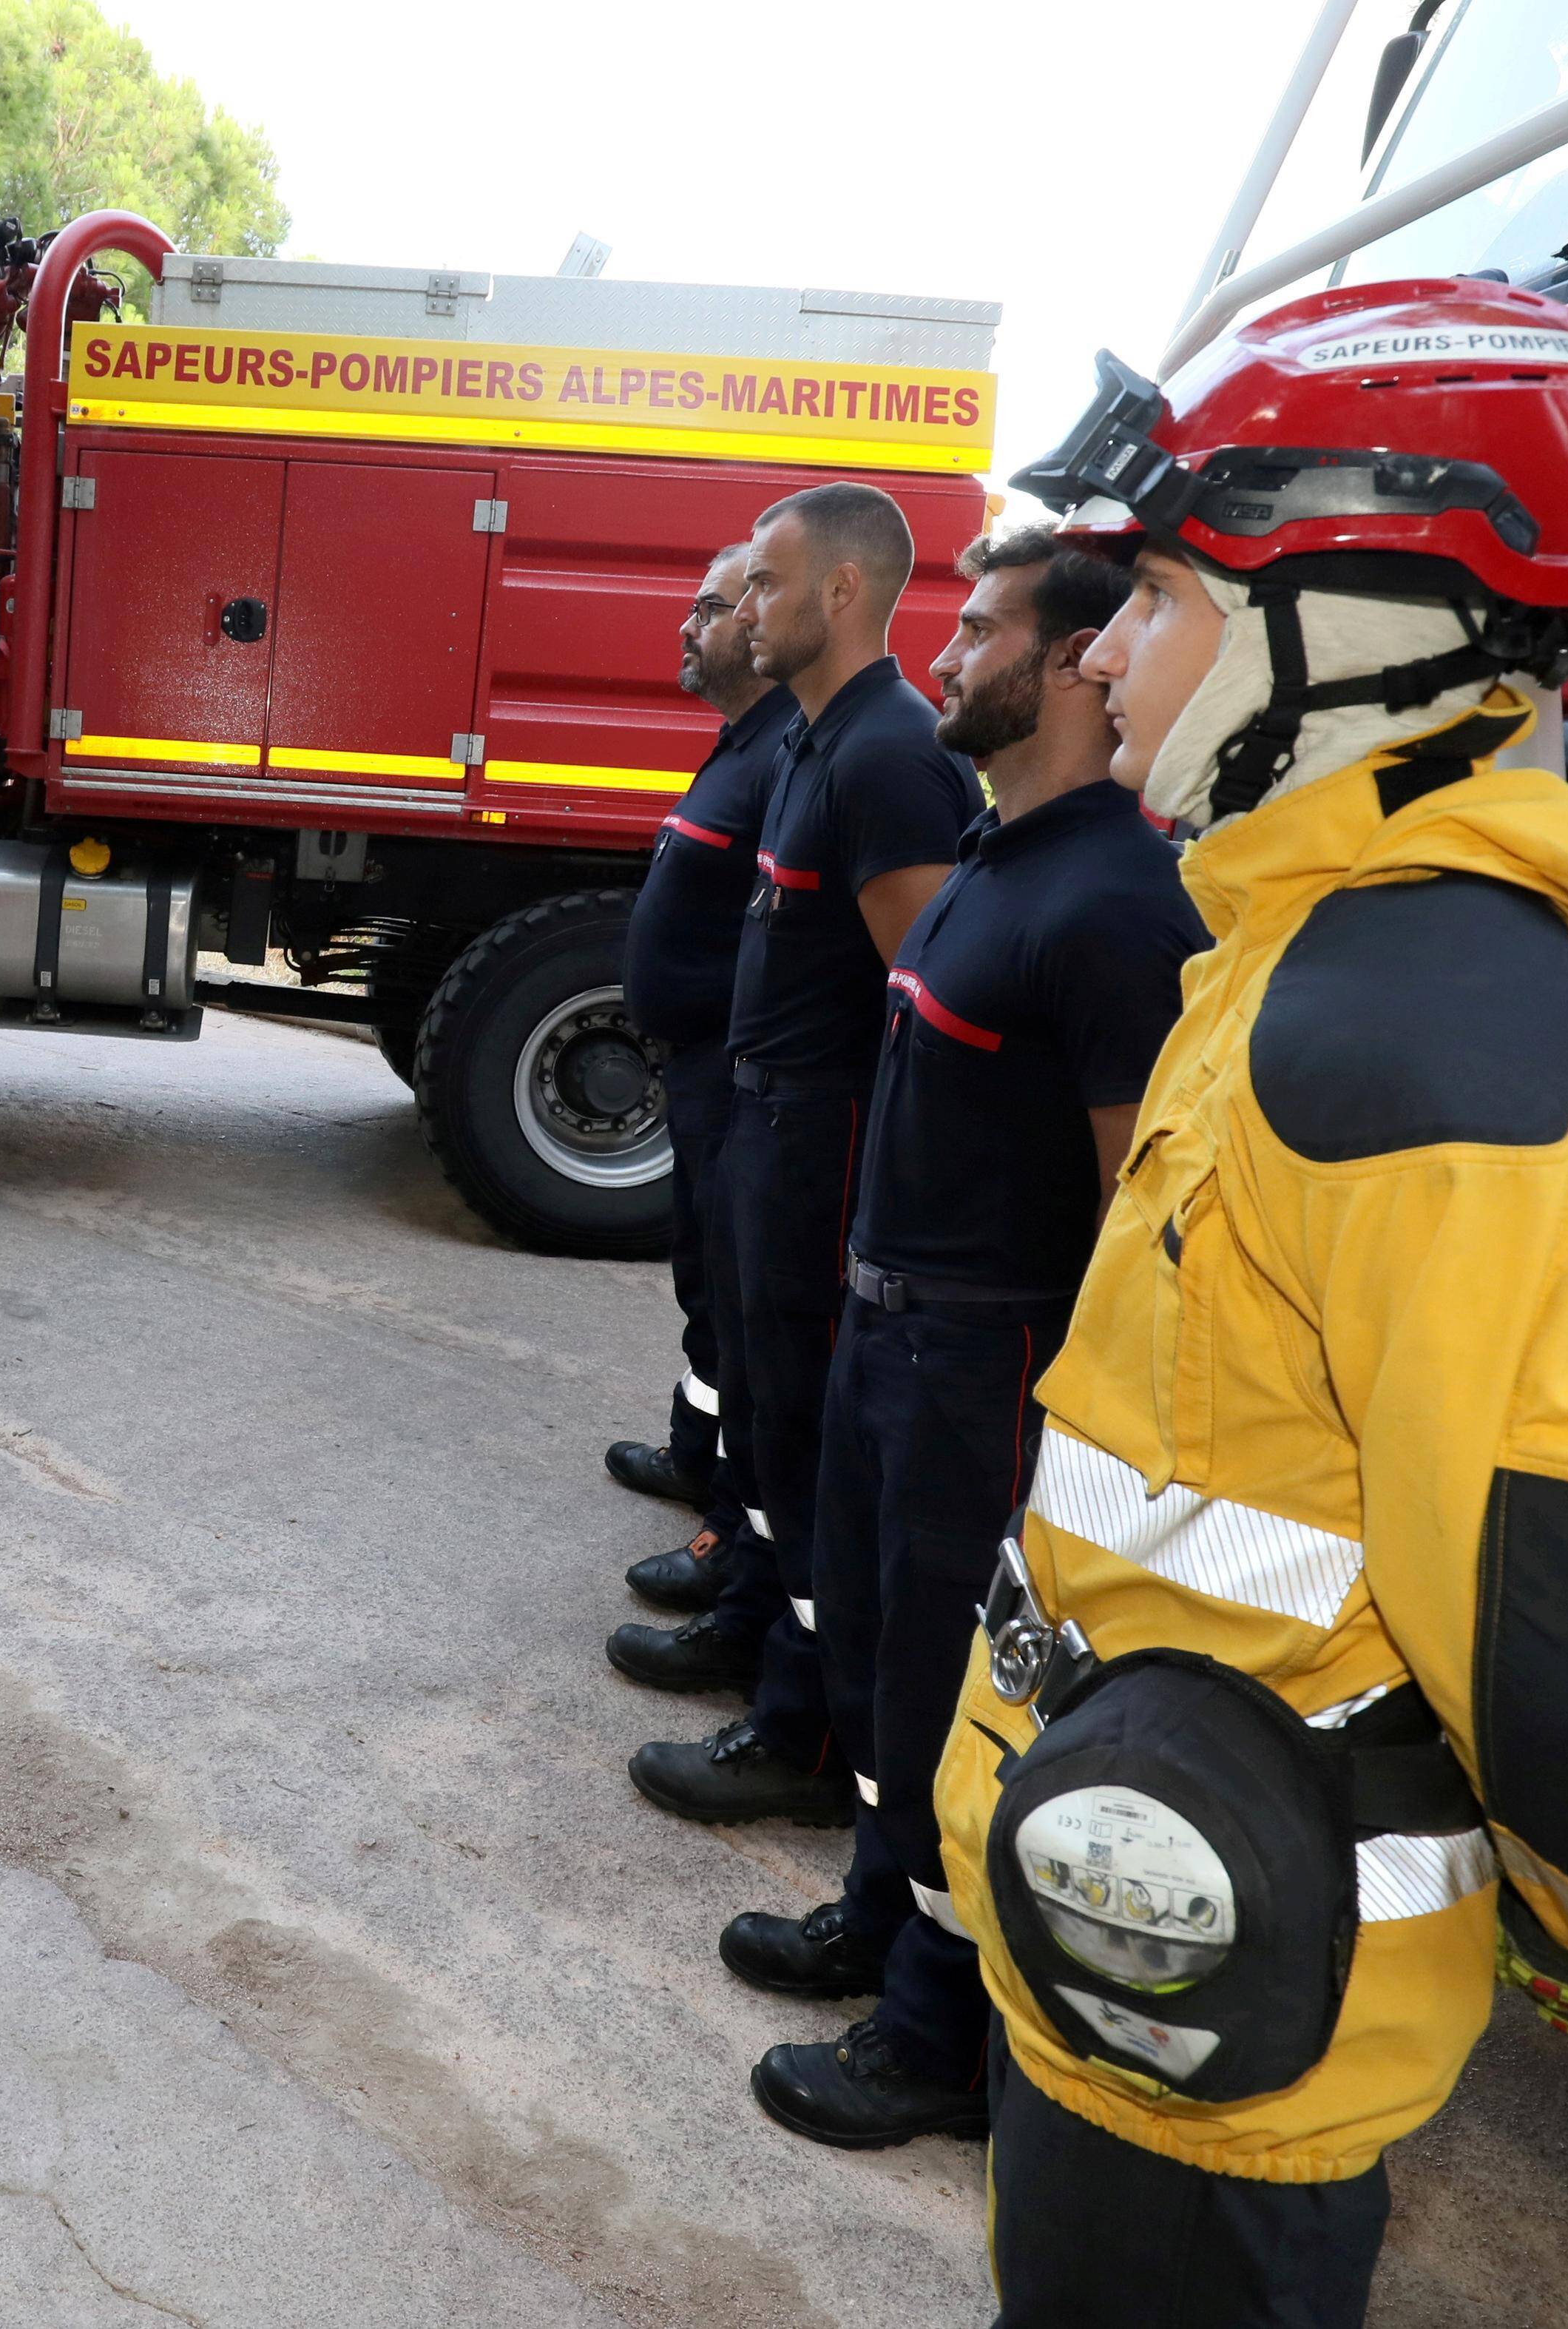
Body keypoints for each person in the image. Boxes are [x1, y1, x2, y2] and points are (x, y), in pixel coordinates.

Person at [944, 283, 1568, 2321]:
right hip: (1144, 1893)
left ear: (1358, 631)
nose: (1102, 648)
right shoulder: (1315, 953)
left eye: (1167, 593)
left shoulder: (1438, 1041)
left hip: (1233, 1970)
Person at [728, 527, 1206, 2152]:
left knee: (955, 1692)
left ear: (1074, 661)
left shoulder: (1123, 907)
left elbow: (1138, 1207)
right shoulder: (999, 859)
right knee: (872, 1655)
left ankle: (941, 2035)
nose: (942, 653)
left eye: (980, 627)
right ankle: (881, 1917)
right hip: (888, 1336)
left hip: (986, 1365)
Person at [623, 483, 971, 1822]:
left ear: (839, 593)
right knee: (769, 1424)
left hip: (820, 1142)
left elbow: (920, 1011)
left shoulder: (886, 753)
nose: (738, 606)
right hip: (766, 1126)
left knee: (810, 1438)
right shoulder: (817, 745)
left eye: (764, 583)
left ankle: (805, 1730)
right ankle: (762, 1631)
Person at [604, 546, 789, 1614]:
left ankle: (730, 1517)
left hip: (738, 1078)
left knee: (740, 1296)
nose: (688, 624)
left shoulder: (787, 757)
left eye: (711, 607)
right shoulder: (742, 744)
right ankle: (697, 1447)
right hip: (700, 1075)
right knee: (704, 1289)